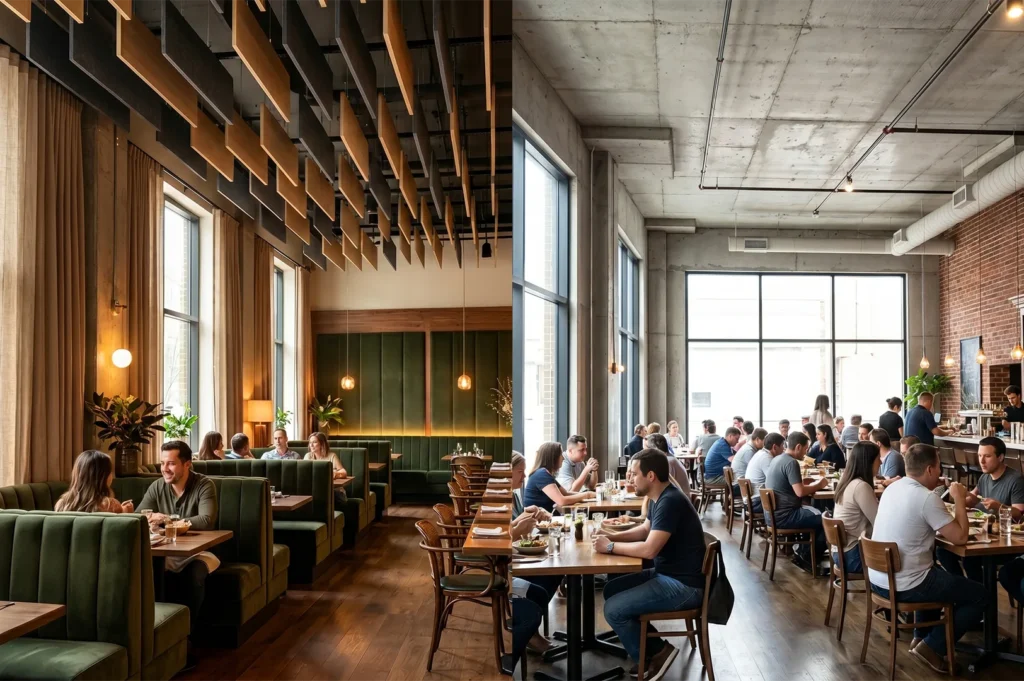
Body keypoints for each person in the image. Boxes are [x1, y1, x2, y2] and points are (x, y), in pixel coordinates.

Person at [868, 444, 985, 673]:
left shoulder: (893, 488)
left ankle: (919, 638)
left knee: (935, 573)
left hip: (879, 580)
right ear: (930, 470)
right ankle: (932, 647)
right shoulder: (925, 498)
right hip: (906, 584)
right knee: (980, 595)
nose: (940, 471)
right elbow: (960, 537)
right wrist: (959, 498)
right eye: (939, 466)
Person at [596, 450, 706, 680]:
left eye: (634, 474)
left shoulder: (670, 501)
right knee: (612, 589)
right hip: (669, 574)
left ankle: (657, 653)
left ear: (651, 476)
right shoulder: (661, 497)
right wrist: (611, 536)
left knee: (613, 609)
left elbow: (649, 549)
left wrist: (609, 547)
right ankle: (646, 647)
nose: (630, 479)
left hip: (684, 586)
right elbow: (645, 530)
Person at [138, 441, 220, 649]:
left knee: (194, 576)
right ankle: (158, 639)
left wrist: (167, 519)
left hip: (199, 552)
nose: (164, 469)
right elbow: (140, 515)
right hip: (166, 552)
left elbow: (207, 520)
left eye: (171, 464)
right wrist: (149, 516)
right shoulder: (157, 486)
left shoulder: (204, 485)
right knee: (147, 574)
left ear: (187, 465)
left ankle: (186, 638)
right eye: (162, 463)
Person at [940, 437, 1024, 582]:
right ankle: (965, 588)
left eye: (987, 456)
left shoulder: (1015, 480)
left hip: (1004, 541)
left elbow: (1018, 514)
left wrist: (998, 506)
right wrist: (959, 495)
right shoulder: (985, 477)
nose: (981, 461)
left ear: (1001, 457)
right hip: (984, 535)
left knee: (970, 559)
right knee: (942, 551)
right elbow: (972, 499)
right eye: (979, 456)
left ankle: (979, 594)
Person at [765, 431, 829, 573]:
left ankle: (804, 551)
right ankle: (807, 557)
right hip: (786, 516)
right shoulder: (791, 462)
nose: (806, 454)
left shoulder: (778, 459)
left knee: (815, 514)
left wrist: (806, 482)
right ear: (798, 447)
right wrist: (820, 484)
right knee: (827, 520)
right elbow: (800, 492)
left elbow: (792, 485)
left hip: (772, 515)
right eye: (806, 449)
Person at [832, 442, 880, 573]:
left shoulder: (847, 481)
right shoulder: (860, 487)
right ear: (868, 462)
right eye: (878, 459)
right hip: (853, 556)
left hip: (840, 553)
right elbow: (879, 523)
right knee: (902, 561)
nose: (880, 462)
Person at [54, 450, 134, 513]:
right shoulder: (111, 505)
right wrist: (125, 512)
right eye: (110, 471)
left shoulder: (62, 504)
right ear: (103, 477)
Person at [523, 442, 595, 512]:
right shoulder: (541, 474)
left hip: (544, 519)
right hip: (536, 522)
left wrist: (590, 495)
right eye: (560, 454)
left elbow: (566, 493)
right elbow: (561, 501)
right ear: (553, 457)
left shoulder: (544, 473)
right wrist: (587, 495)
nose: (563, 458)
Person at [305, 431, 349, 503]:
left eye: (314, 442)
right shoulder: (307, 456)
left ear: (322, 444)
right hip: (316, 490)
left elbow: (344, 472)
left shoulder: (332, 456)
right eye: (310, 443)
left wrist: (335, 474)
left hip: (334, 492)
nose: (311, 445)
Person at [645, 432, 691, 497]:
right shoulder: (668, 458)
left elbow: (661, 488)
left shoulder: (667, 462)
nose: (644, 453)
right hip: (675, 498)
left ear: (654, 449)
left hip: (678, 503)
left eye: (646, 449)